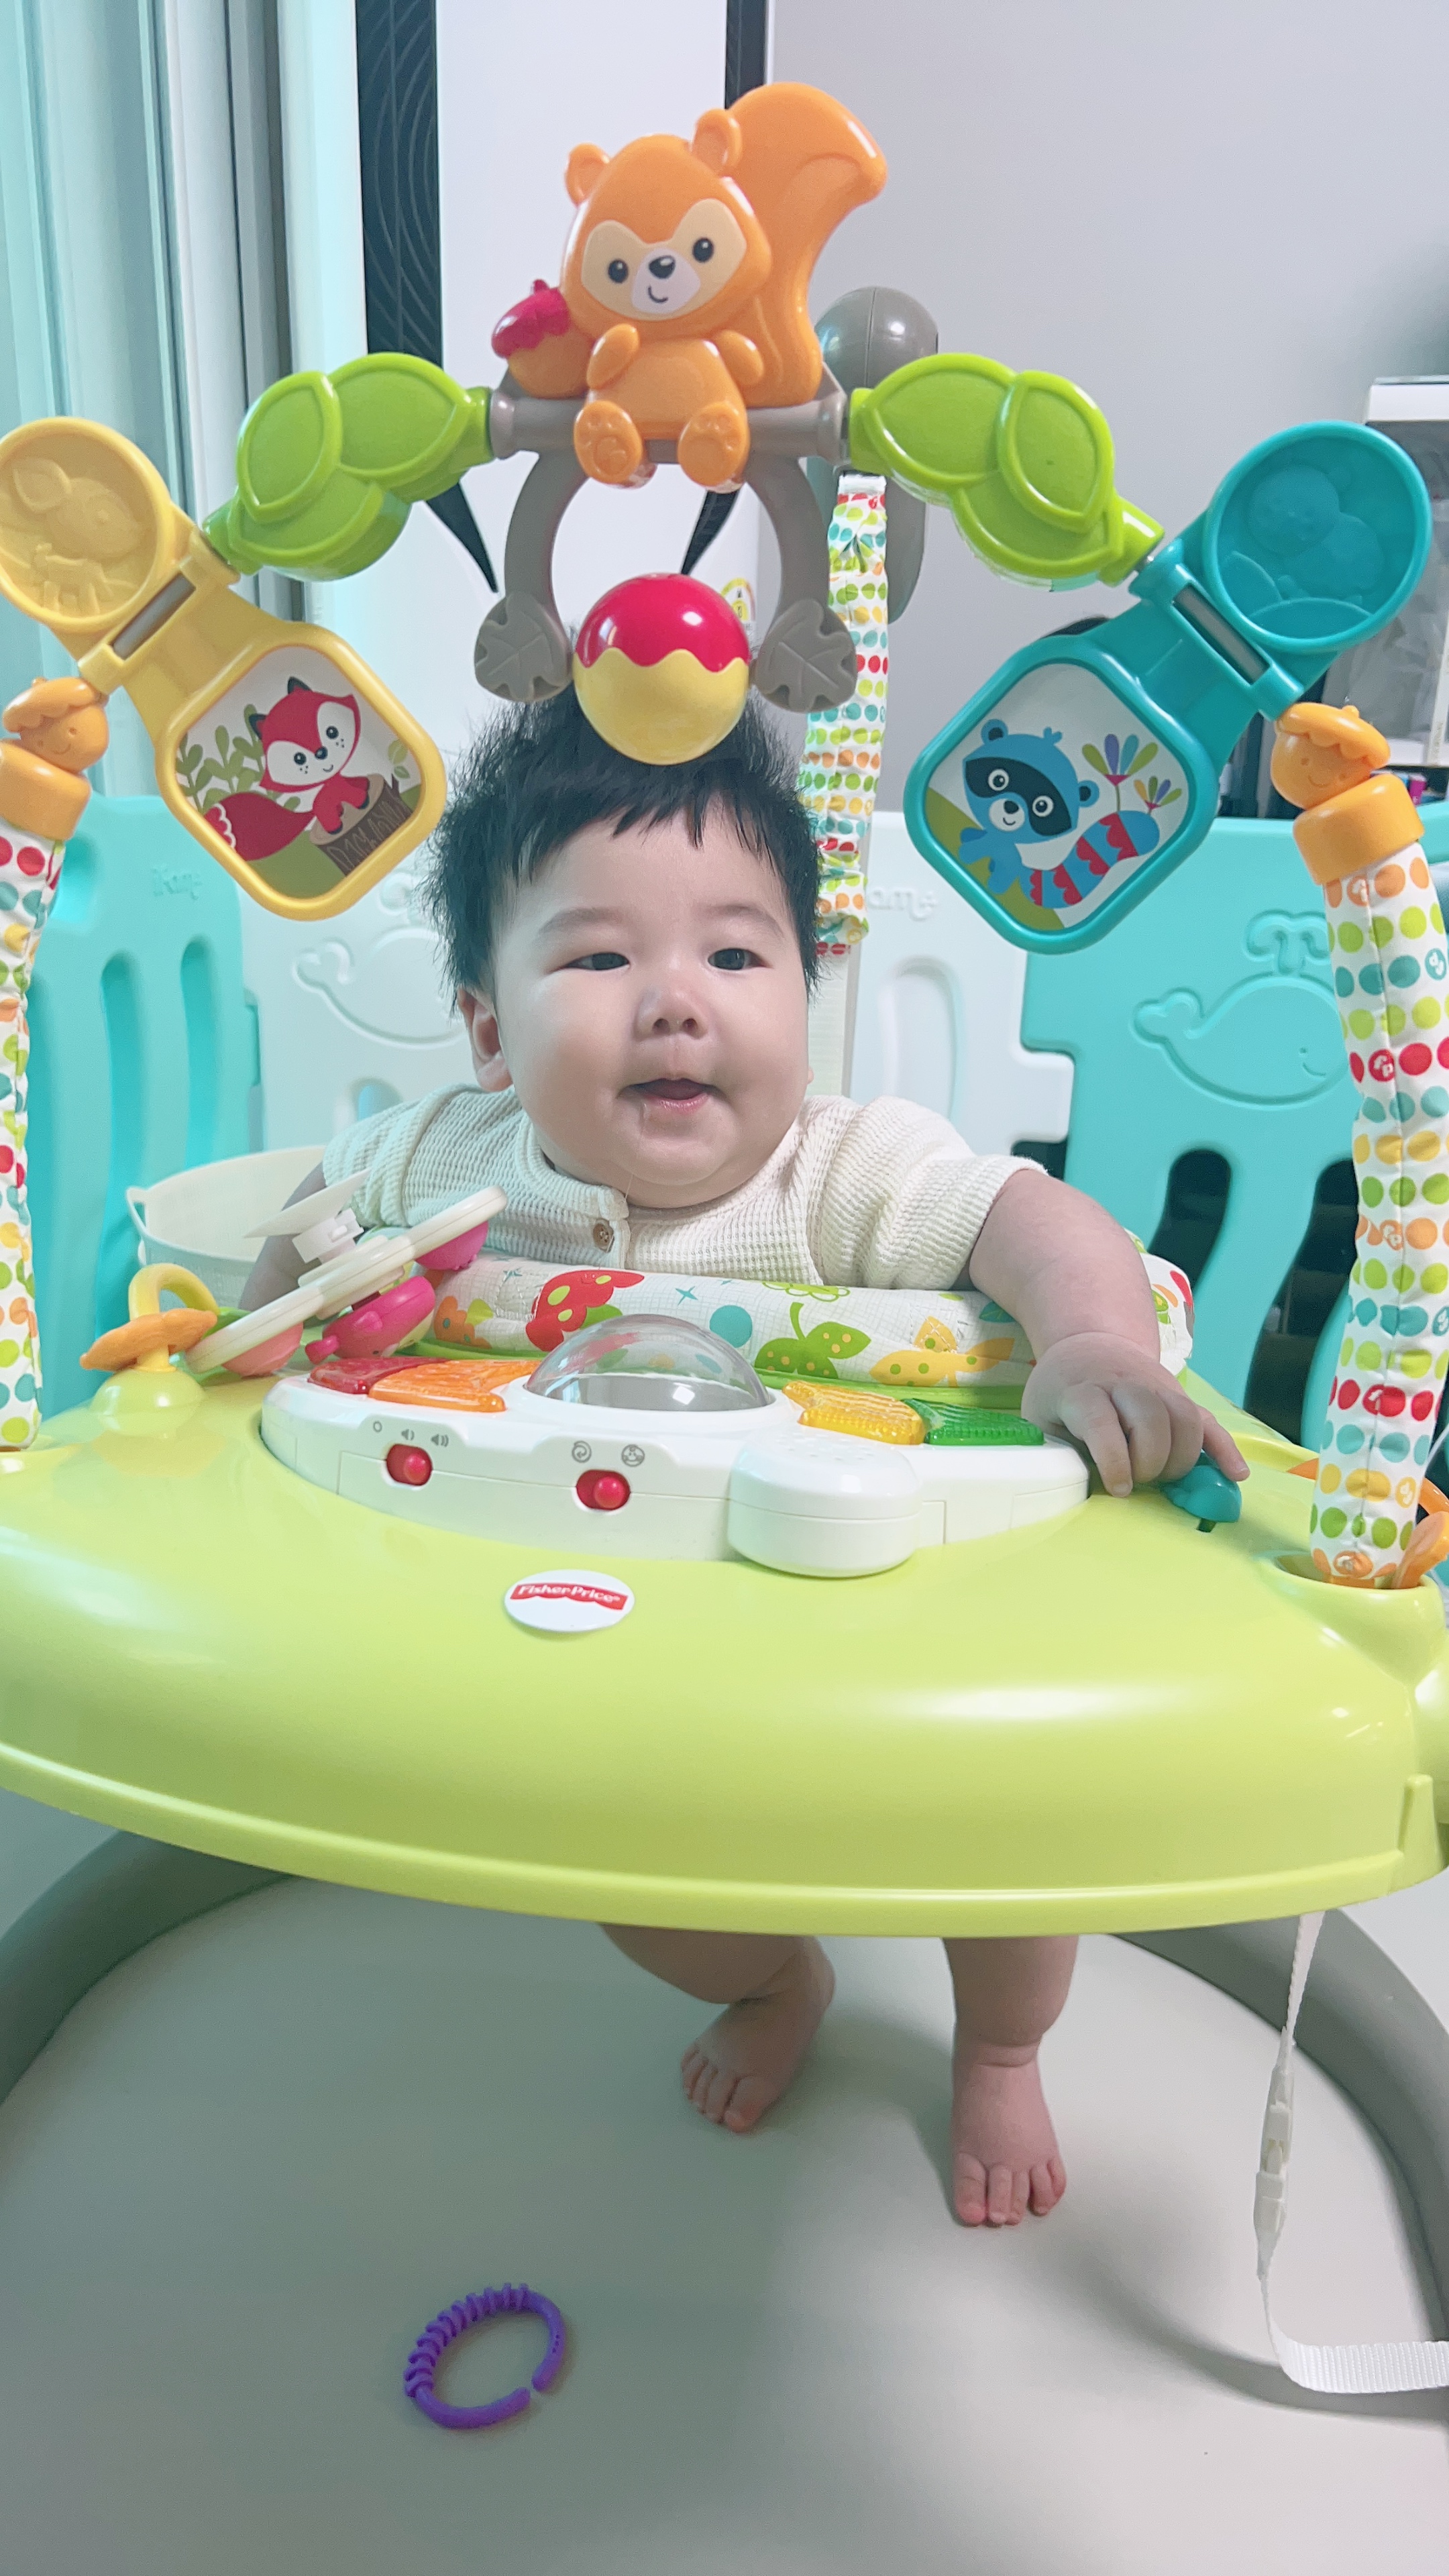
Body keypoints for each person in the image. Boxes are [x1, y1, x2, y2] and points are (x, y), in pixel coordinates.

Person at [243, 690, 1246, 2229]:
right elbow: (309, 1235)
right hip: (624, 1657)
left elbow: (1031, 1220)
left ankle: (999, 2047)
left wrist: (1091, 1343)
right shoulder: (443, 1159)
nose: (675, 1003)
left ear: (804, 992)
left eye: (734, 954)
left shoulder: (842, 1174)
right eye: (599, 959)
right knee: (643, 1894)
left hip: (897, 1636)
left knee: (1011, 1837)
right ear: (489, 1030)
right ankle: (780, 1983)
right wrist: (262, 1326)